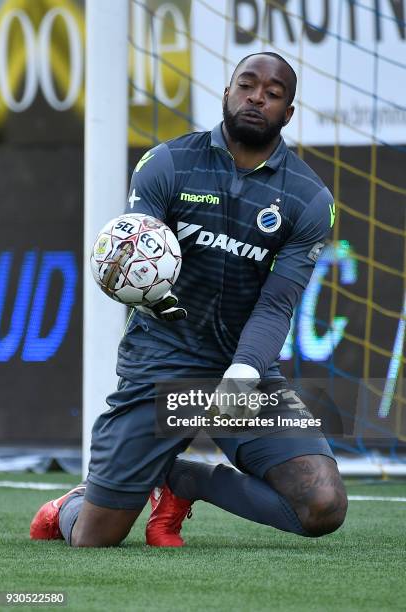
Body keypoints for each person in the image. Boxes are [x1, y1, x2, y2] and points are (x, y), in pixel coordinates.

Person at [30, 52, 347, 547]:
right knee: (95, 539)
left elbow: (276, 305)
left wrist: (242, 376)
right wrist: (154, 298)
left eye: (273, 92)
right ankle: (71, 504)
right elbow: (128, 258)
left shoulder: (308, 200)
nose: (256, 96)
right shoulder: (168, 165)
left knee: (322, 504)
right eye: (246, 84)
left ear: (288, 113)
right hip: (162, 366)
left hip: (242, 367)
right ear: (226, 93)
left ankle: (182, 478)